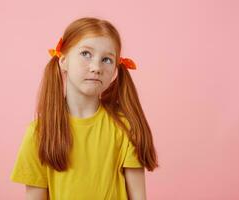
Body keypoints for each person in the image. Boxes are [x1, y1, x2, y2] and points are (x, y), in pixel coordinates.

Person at [10, 17, 159, 200]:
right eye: (86, 54)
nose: (96, 67)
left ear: (115, 70)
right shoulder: (38, 133)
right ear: (64, 61)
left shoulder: (125, 128)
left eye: (106, 59)